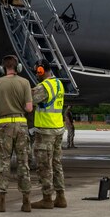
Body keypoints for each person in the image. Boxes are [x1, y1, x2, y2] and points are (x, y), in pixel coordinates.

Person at [0, 54, 33, 212]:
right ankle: (26, 201)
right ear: (18, 67)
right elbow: (29, 108)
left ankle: (1, 202)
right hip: (21, 124)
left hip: (4, 125)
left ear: (3, 68)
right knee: (23, 162)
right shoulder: (25, 82)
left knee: (3, 163)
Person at [30, 64, 67, 209]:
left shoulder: (44, 86)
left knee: (44, 165)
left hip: (46, 131)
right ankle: (61, 197)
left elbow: (29, 100)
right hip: (58, 129)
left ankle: (47, 198)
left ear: (41, 71)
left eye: (37, 71)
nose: (36, 74)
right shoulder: (58, 83)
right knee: (56, 164)